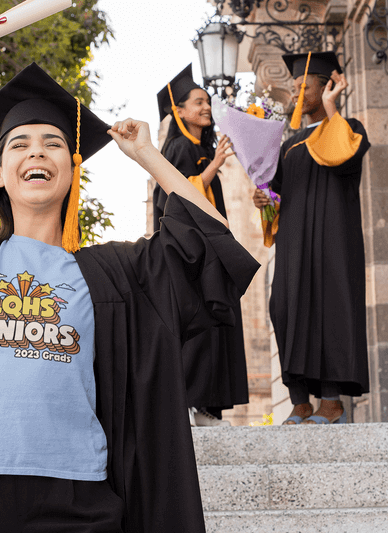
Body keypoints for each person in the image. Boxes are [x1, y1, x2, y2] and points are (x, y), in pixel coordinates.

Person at [0, 34, 259, 532]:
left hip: (76, 495)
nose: (37, 151)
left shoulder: (115, 273)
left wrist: (148, 154)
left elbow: (210, 242)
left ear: (71, 169)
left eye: (53, 143)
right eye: (20, 144)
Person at [253, 51, 370, 425]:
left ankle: (331, 402)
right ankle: (300, 400)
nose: (297, 93)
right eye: (294, 87)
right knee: (284, 307)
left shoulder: (348, 129)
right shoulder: (290, 143)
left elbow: (342, 157)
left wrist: (334, 107)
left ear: (327, 87)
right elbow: (279, 195)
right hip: (294, 243)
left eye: (306, 86)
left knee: (329, 308)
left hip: (333, 241)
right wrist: (265, 198)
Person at [153, 65, 249, 427]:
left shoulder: (201, 148)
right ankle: (198, 406)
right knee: (202, 324)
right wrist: (214, 167)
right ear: (178, 111)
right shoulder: (178, 147)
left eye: (207, 102)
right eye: (198, 102)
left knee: (217, 325)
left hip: (212, 249)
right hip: (193, 253)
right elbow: (175, 196)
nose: (206, 107)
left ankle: (210, 407)